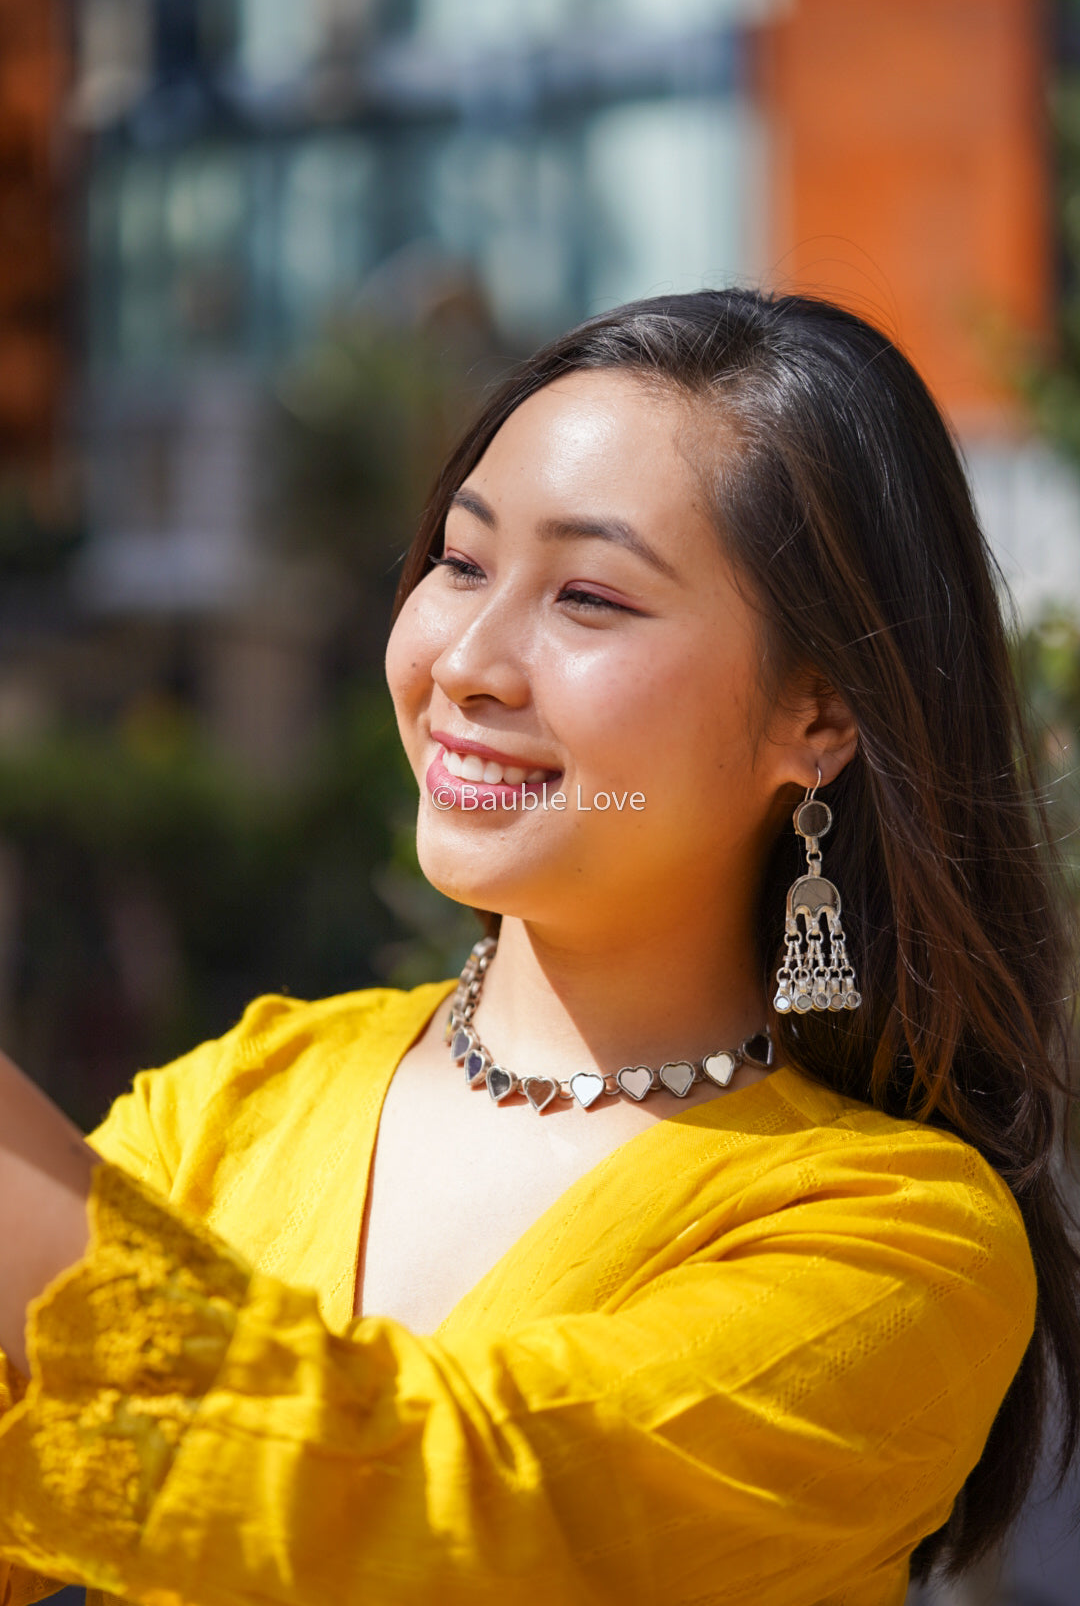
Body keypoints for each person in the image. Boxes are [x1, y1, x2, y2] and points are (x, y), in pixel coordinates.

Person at [0, 288, 1077, 1606]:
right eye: (460, 562)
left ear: (820, 714)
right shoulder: (242, 1096)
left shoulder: (900, 1247)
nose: (469, 662)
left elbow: (447, 1509)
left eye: (588, 596)